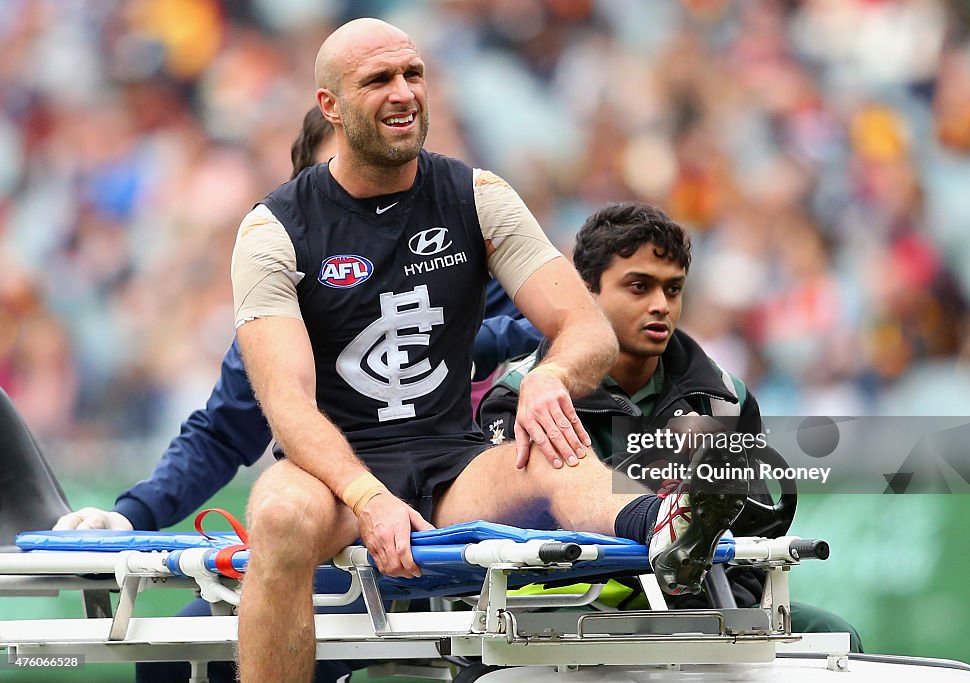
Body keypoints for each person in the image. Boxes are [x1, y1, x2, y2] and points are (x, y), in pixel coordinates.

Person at [229, 18, 745, 682]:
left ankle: (670, 526)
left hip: (449, 461)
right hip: (330, 473)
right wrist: (366, 495)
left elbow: (585, 324)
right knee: (277, 513)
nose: (403, 92)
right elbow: (286, 401)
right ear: (329, 104)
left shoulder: (477, 196)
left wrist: (552, 375)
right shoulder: (273, 228)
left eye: (413, 74)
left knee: (560, 453)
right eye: (379, 79)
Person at [51, 104, 540, 683]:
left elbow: (559, 327)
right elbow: (224, 429)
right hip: (340, 530)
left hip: (466, 528)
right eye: (342, 182)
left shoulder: (470, 258)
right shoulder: (284, 299)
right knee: (176, 663)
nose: (367, 203)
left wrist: (458, 346)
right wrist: (131, 516)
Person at [477, 200, 863, 650]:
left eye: (673, 289)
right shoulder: (519, 398)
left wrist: (717, 620)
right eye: (639, 287)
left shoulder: (724, 397)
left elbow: (753, 538)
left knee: (834, 637)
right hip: (569, 619)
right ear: (586, 293)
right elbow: (520, 545)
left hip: (701, 608)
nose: (660, 305)